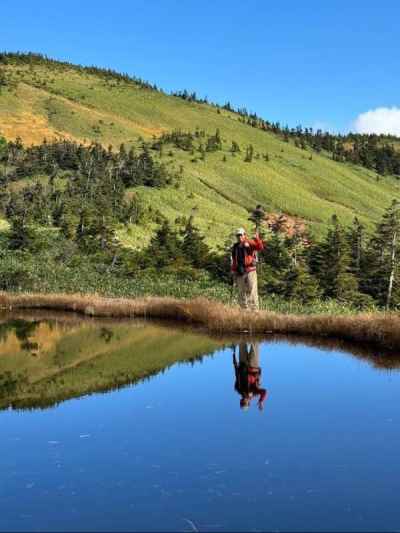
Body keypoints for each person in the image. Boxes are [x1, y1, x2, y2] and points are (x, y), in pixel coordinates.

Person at [231, 227, 264, 310]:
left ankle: (254, 310)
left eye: (241, 235)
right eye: (238, 235)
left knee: (252, 291)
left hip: (250, 271)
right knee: (241, 292)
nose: (239, 237)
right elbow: (234, 260)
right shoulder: (235, 247)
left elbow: (260, 247)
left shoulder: (249, 243)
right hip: (239, 271)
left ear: (244, 235)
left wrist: (257, 239)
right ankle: (244, 310)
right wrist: (233, 270)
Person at [233, 342, 267, 411]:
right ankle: (253, 331)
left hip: (243, 364)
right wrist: (261, 401)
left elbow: (237, 374)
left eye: (242, 402)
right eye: (245, 403)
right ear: (249, 402)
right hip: (254, 366)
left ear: (241, 401)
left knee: (242, 343)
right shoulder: (254, 393)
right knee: (255, 343)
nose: (244, 401)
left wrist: (234, 362)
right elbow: (264, 392)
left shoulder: (238, 388)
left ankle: (244, 331)